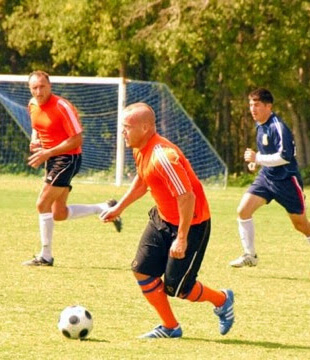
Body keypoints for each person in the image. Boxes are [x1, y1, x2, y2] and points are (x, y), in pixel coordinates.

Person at [100, 102, 234, 338]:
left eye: (126, 127)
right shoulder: (139, 147)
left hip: (192, 224)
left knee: (179, 288)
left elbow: (187, 196)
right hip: (162, 218)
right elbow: (143, 181)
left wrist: (181, 238)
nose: (122, 132)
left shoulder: (163, 156)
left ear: (144, 128)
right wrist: (119, 207)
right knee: (141, 269)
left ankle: (222, 300)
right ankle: (171, 327)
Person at [23, 70, 121, 267]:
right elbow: (37, 127)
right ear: (30, 89)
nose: (39, 91)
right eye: (35, 88)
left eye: (42, 86)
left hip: (68, 158)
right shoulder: (32, 104)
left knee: (42, 204)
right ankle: (104, 207)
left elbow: (77, 139)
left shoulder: (62, 106)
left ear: (50, 86)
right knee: (58, 213)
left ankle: (46, 257)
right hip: (52, 158)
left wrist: (48, 152)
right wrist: (35, 141)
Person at [230, 88, 310, 268]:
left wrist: (257, 158)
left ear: (268, 106)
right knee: (243, 210)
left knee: (301, 225)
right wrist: (258, 162)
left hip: (286, 181)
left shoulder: (278, 127)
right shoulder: (260, 125)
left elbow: (285, 156)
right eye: (251, 105)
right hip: (266, 178)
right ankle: (250, 255)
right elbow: (269, 152)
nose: (252, 109)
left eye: (257, 105)